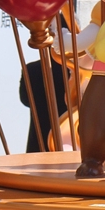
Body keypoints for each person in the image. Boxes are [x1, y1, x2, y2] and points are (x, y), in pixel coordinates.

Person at [19, 22, 68, 153]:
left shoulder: (31, 69)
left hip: (38, 141)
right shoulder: (75, 72)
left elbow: (25, 100)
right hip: (69, 139)